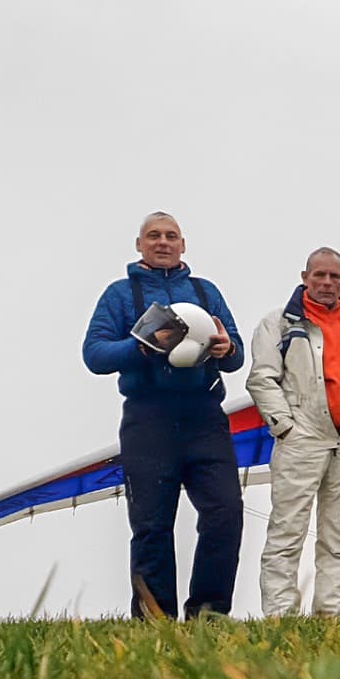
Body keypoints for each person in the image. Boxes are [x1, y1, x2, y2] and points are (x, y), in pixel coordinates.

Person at [82, 212, 244, 620]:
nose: (163, 242)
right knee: (152, 524)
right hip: (147, 418)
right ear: (139, 245)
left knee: (225, 512)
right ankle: (155, 619)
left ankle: (209, 614)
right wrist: (139, 346)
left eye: (171, 236)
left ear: (183, 244)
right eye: (153, 236)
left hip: (205, 416)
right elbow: (94, 354)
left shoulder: (206, 292)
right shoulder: (120, 294)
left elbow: (237, 352)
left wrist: (227, 350)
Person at [247, 247, 340, 615]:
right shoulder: (278, 323)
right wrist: (286, 427)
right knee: (287, 530)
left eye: (334, 277)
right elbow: (262, 378)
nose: (327, 283)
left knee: (339, 535)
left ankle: (333, 617)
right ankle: (280, 615)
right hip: (302, 434)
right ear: (305, 277)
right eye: (319, 275)